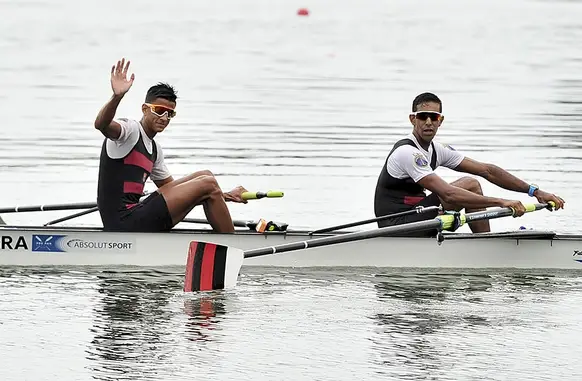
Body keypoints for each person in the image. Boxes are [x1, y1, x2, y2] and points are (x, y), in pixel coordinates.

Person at [374, 92, 565, 236]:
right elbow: (448, 193)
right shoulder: (407, 153)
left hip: (419, 216)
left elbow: (488, 171)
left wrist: (535, 192)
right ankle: (483, 244)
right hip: (396, 225)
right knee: (469, 185)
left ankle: (483, 243)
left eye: (435, 117)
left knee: (472, 182)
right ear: (412, 119)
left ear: (441, 121)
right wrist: (501, 202)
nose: (429, 122)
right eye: (423, 116)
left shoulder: (437, 150)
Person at [94, 58, 248, 233]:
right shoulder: (129, 131)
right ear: (145, 109)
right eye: (159, 111)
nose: (164, 118)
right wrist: (117, 97)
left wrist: (227, 195)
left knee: (205, 176)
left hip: (137, 215)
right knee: (208, 183)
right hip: (123, 222)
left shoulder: (154, 150)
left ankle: (225, 237)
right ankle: (233, 244)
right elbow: (101, 124)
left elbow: (181, 193)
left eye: (170, 114)